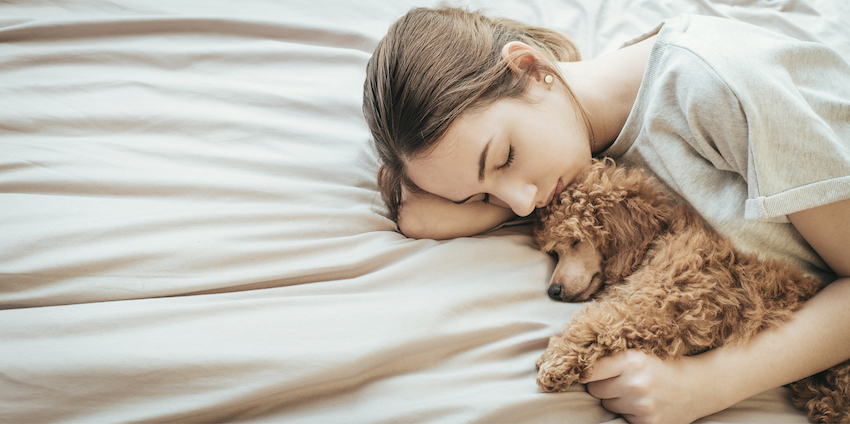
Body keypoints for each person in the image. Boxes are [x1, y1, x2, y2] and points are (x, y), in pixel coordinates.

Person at [363, 6, 850, 424]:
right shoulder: (566, 149)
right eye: (479, 198)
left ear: (530, 68)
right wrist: (467, 188)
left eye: (505, 158)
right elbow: (420, 217)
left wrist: (710, 385)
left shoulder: (712, 88)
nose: (523, 203)